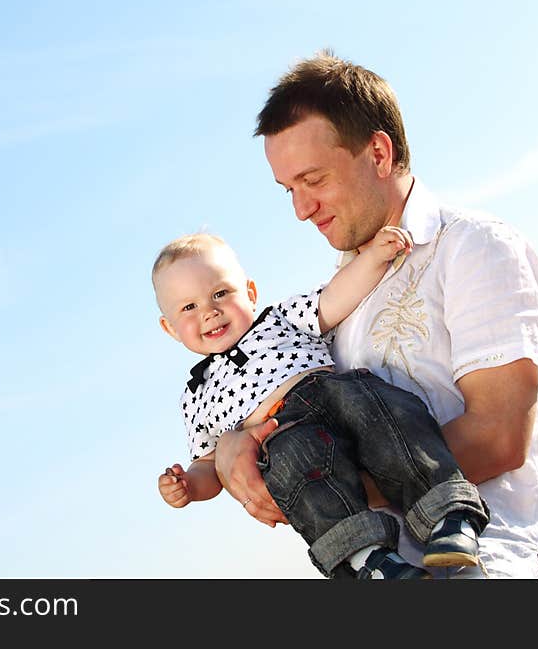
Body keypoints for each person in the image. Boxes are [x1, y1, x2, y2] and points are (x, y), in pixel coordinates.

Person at [212, 50, 538, 578]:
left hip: (500, 560)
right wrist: (233, 452)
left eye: (313, 180)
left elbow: (499, 437)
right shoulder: (332, 309)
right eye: (288, 190)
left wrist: (310, 487)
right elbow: (278, 399)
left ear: (380, 154)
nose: (301, 208)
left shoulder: (474, 247)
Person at [154, 230, 489, 579]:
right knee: (305, 483)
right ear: (171, 328)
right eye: (189, 307)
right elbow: (210, 464)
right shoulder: (196, 394)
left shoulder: (278, 319)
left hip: (337, 394)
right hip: (284, 436)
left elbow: (333, 299)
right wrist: (190, 486)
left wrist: (373, 258)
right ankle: (369, 560)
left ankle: (448, 515)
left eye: (220, 293)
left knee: (392, 419)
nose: (210, 312)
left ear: (250, 293)